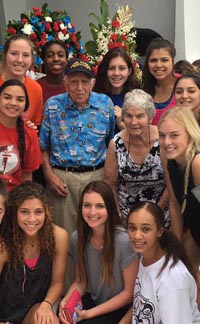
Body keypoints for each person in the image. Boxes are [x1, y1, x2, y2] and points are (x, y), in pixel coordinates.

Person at [39, 58, 115, 235]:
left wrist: (108, 181)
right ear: (65, 82)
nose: (79, 87)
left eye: (85, 82)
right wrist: (49, 175)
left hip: (97, 176)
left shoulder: (105, 104)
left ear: (93, 83)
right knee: (64, 235)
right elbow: (43, 145)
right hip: (62, 180)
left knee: (98, 233)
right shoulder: (52, 105)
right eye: (74, 81)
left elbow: (110, 143)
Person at [59, 180, 139, 324]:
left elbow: (129, 294)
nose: (92, 212)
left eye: (100, 206)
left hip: (123, 309)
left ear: (110, 208)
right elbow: (80, 281)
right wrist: (65, 303)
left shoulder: (124, 241)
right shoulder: (77, 238)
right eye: (87, 205)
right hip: (96, 303)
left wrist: (88, 314)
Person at [0, 181, 69, 324]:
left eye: (38, 212)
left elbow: (57, 283)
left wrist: (47, 304)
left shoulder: (58, 237)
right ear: (14, 213)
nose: (32, 219)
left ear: (47, 212)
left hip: (33, 311)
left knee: (49, 320)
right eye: (24, 212)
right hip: (4, 315)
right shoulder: (4, 244)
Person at [126, 201, 200, 323]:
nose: (137, 236)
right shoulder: (145, 258)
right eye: (132, 228)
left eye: (145, 229)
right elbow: (139, 305)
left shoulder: (173, 280)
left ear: (159, 231)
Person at [104, 89, 169, 227]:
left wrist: (156, 212)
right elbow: (110, 185)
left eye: (140, 116)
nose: (133, 122)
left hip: (160, 213)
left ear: (150, 117)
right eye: (128, 116)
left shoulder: (163, 139)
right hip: (126, 217)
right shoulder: (115, 144)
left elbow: (171, 184)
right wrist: (119, 216)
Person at [158, 106, 200, 306]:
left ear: (190, 134)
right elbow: (174, 205)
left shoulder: (197, 163)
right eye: (162, 135)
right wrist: (176, 249)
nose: (167, 142)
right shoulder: (168, 159)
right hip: (194, 229)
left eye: (174, 135)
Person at [0, 79, 42, 191]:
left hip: (13, 200)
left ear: (25, 105)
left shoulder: (30, 134)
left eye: (20, 99)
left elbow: (27, 178)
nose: (13, 103)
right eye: (7, 97)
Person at [93, 47, 141, 133]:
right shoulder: (95, 96)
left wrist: (121, 122)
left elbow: (140, 137)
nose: (116, 73)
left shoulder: (137, 98)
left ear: (129, 71)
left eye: (122, 68)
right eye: (111, 68)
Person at [0, 34, 43, 127]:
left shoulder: (36, 89)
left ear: (32, 59)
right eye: (14, 53)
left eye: (25, 55)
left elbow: (35, 124)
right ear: (4, 55)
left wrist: (30, 129)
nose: (19, 60)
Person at [143, 37, 178, 125]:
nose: (158, 65)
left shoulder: (184, 85)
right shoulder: (144, 89)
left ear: (172, 61)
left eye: (164, 60)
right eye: (153, 60)